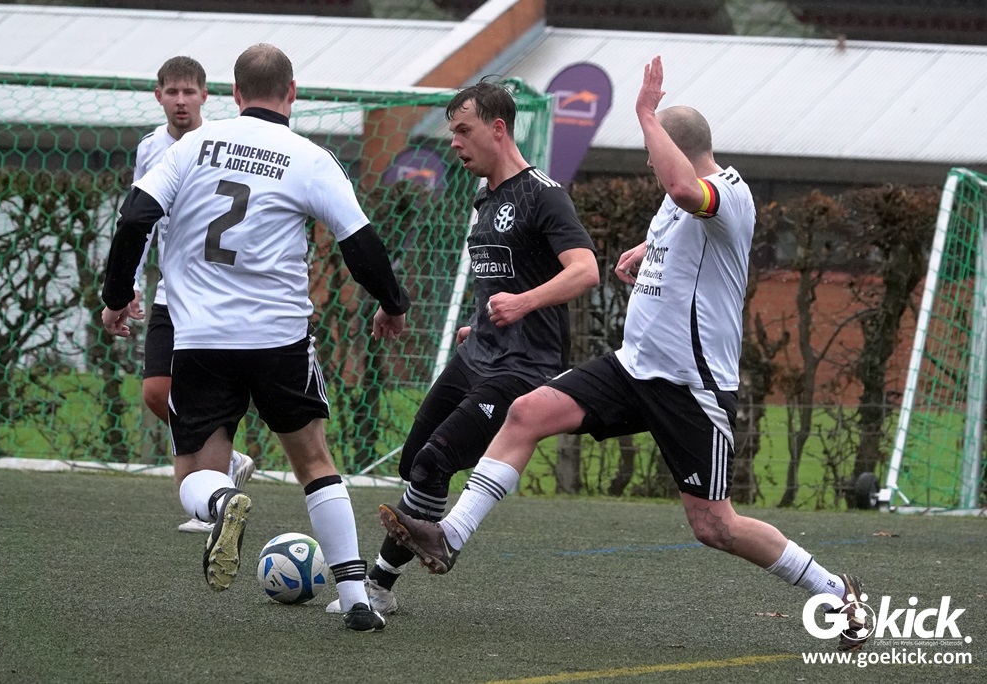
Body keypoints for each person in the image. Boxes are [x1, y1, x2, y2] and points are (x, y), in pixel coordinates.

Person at [377, 56, 872, 652]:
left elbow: (685, 190)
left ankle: (836, 592)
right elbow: (682, 220)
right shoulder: (677, 206)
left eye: (653, 151)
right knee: (526, 412)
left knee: (715, 526)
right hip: (633, 366)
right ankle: (450, 535)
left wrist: (644, 113)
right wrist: (646, 251)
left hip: (690, 386)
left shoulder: (729, 194)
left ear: (674, 148)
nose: (649, 163)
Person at [101, 43, 409, 632]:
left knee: (196, 473)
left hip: (202, 339)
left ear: (235, 93)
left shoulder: (192, 145)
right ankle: (355, 598)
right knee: (314, 460)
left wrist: (117, 296)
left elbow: (136, 216)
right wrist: (392, 304)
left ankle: (221, 503)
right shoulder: (309, 157)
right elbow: (360, 242)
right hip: (279, 339)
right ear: (292, 93)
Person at [328, 80, 599, 616]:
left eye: (462, 130)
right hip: (480, 354)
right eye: (452, 131)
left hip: (525, 367)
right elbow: (502, 276)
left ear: (497, 129)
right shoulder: (485, 198)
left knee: (433, 463)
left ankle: (378, 586)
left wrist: (521, 305)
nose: (453, 142)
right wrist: (481, 325)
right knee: (414, 462)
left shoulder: (543, 194)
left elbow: (585, 270)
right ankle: (401, 559)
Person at [130, 55, 256, 535]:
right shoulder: (150, 148)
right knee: (156, 391)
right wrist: (131, 283)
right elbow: (140, 222)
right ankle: (229, 465)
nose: (181, 101)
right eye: (172, 92)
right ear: (158, 96)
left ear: (206, 95)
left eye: (189, 92)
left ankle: (212, 496)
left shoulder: (219, 145)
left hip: (215, 295)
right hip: (170, 291)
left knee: (210, 396)